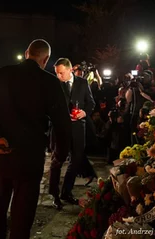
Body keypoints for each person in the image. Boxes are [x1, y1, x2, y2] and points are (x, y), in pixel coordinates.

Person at [0, 39, 71, 239]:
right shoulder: (48, 81)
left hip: (3, 153)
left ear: (26, 52)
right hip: (29, 156)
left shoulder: (4, 74)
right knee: (22, 216)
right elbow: (62, 122)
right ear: (45, 59)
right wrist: (61, 154)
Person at [49, 58, 96, 210]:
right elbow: (50, 108)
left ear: (70, 70)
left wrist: (84, 112)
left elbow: (91, 103)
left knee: (76, 161)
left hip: (78, 128)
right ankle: (54, 194)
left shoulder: (82, 83)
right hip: (61, 129)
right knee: (57, 161)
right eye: (57, 73)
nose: (58, 76)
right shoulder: (55, 85)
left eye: (61, 73)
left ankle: (66, 192)